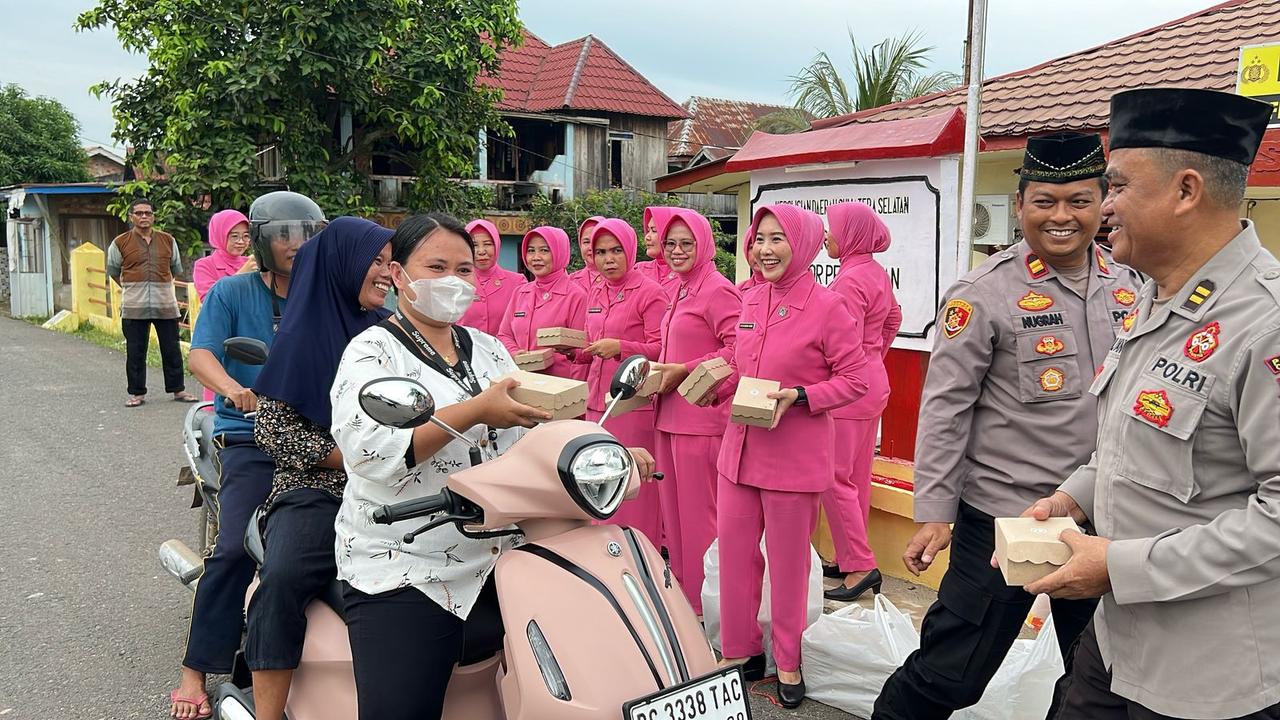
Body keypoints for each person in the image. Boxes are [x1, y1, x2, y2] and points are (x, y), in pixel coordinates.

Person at [1022, 88, 1280, 720]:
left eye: (1117, 187)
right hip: (1116, 645)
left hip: (1208, 678)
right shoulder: (1157, 297)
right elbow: (1132, 443)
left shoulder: (1265, 323)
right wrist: (1073, 497)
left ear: (1186, 190)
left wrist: (1119, 566)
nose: (1103, 208)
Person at [873, 132, 1142, 720]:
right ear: (1019, 205)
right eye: (1045, 201)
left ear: (1104, 203)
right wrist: (935, 514)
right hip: (1003, 521)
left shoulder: (1132, 284)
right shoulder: (984, 292)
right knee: (952, 675)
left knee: (1099, 680)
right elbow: (945, 409)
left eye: (1080, 200)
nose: (1063, 216)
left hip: (1102, 519)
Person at [170, 192, 323, 720]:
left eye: (306, 233)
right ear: (260, 239)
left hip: (321, 441)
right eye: (284, 233)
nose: (296, 244)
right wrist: (233, 389)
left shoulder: (325, 292)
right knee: (235, 548)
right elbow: (203, 353)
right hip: (251, 436)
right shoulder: (233, 292)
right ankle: (195, 668)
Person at [715, 204, 868, 709]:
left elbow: (855, 380)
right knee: (736, 560)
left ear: (801, 243)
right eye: (759, 239)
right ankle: (741, 651)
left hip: (792, 460)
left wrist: (800, 397)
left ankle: (788, 658)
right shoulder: (749, 299)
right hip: (738, 453)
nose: (765, 249)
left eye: (777, 239)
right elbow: (740, 366)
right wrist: (711, 382)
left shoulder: (829, 307)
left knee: (787, 567)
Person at [244, 217, 395, 720]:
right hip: (316, 486)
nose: (386, 273)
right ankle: (267, 711)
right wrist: (353, 459)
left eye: (389, 261)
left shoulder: (388, 333)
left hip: (393, 483)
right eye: (375, 261)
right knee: (284, 578)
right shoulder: (301, 336)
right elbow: (274, 431)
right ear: (343, 265)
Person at [649, 208, 741, 613]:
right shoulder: (679, 288)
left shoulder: (718, 289)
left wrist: (684, 370)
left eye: (686, 243)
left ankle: (708, 607)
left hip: (700, 421)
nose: (677, 250)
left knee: (701, 521)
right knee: (676, 519)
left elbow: (739, 350)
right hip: (668, 416)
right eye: (670, 243)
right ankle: (686, 599)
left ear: (704, 244)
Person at [820, 202, 902, 601]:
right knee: (856, 477)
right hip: (872, 381)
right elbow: (894, 318)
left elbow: (842, 340)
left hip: (848, 389)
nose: (826, 236)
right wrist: (875, 355)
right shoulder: (873, 272)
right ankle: (847, 554)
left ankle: (859, 566)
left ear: (850, 234)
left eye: (832, 230)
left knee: (834, 479)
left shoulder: (849, 281)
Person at [575, 217, 667, 544]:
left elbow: (661, 348)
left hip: (631, 406)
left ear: (630, 250)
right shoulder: (597, 290)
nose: (608, 259)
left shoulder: (650, 293)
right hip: (595, 404)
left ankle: (639, 555)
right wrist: (576, 351)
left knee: (631, 491)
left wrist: (621, 348)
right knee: (598, 484)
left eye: (616, 250)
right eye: (600, 252)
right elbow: (592, 339)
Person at [107, 198, 198, 406]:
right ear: (131, 217)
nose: (144, 217)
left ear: (154, 216)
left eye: (147, 213)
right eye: (139, 213)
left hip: (165, 304)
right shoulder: (120, 242)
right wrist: (132, 288)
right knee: (136, 351)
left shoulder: (168, 240)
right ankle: (137, 393)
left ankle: (178, 390)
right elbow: (113, 271)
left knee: (171, 349)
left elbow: (175, 269)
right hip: (134, 307)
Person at [496, 226, 589, 380]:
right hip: (522, 381)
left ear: (560, 252)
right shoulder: (520, 292)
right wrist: (514, 352)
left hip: (560, 386)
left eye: (544, 251)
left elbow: (582, 351)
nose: (536, 257)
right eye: (531, 250)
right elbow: (504, 334)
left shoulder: (576, 296)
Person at [458, 219, 525, 335]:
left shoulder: (518, 283)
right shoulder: (457, 282)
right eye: (474, 245)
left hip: (505, 351)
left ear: (497, 245)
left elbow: (523, 326)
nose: (481, 251)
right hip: (465, 351)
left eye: (488, 244)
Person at [192, 209, 254, 300]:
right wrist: (241, 275)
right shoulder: (204, 265)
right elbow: (211, 301)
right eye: (234, 236)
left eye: (246, 236)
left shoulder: (250, 263)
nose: (241, 242)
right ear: (220, 235)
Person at [634, 206, 680, 295]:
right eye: (648, 231)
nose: (647, 237)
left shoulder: (688, 275)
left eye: (654, 230)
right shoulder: (639, 270)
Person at [568, 215, 605, 291]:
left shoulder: (620, 280)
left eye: (596, 241)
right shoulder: (570, 281)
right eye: (586, 242)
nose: (591, 247)